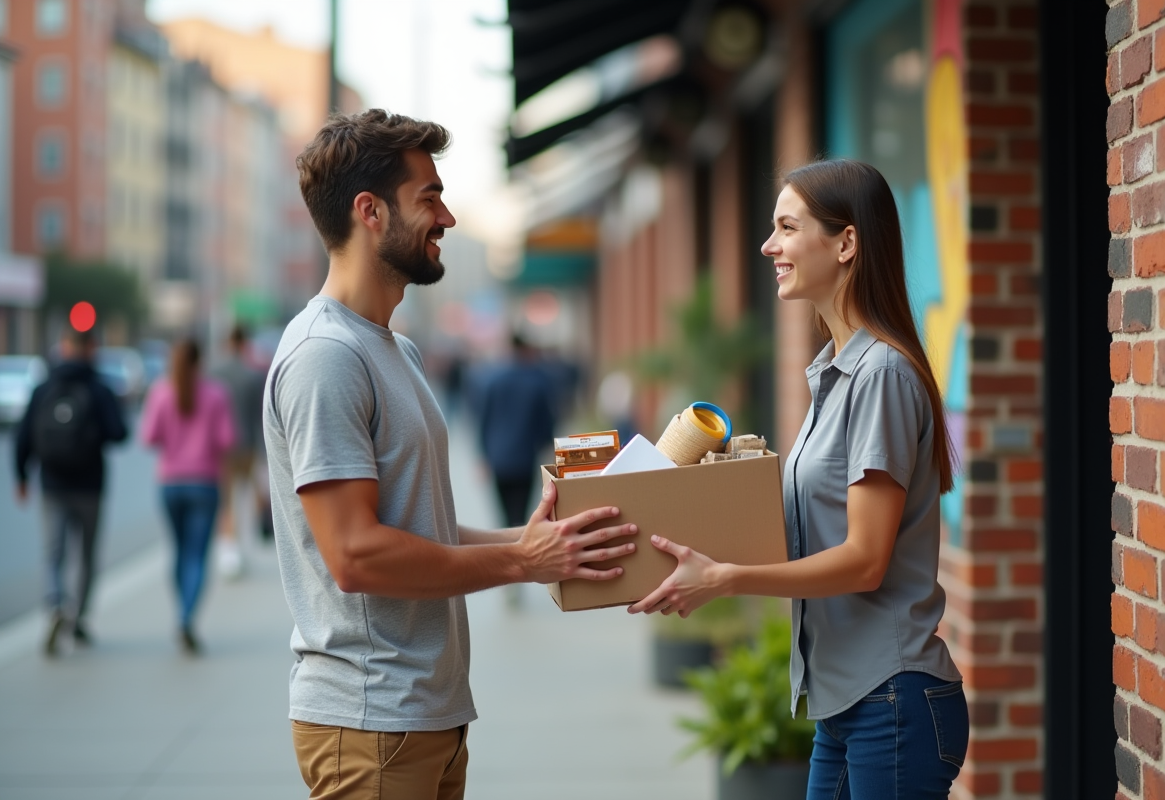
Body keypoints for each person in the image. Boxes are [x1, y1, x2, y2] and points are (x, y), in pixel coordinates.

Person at [271, 109, 638, 800]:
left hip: (422, 716)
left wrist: (533, 545)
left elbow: (414, 530)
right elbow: (356, 556)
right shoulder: (327, 356)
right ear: (369, 212)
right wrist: (518, 561)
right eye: (429, 197)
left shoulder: (394, 349)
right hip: (369, 721)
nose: (448, 217)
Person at [629, 160, 968, 799]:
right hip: (846, 703)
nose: (769, 245)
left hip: (890, 700)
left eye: (787, 227)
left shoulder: (880, 377)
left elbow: (865, 561)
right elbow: (808, 530)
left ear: (846, 243)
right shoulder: (833, 373)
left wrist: (726, 580)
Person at [14, 327, 127, 656]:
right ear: (91, 348)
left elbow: (23, 437)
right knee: (85, 555)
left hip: (52, 484)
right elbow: (119, 432)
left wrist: (21, 476)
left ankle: (54, 606)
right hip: (90, 486)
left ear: (64, 347)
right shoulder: (99, 388)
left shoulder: (43, 388)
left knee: (54, 552)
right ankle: (77, 617)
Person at [140, 338, 235, 655]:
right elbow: (227, 440)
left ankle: (181, 612)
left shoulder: (160, 392)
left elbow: (149, 437)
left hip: (170, 483)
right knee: (197, 555)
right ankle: (186, 616)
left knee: (179, 552)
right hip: (205, 483)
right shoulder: (215, 394)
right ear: (200, 361)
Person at [478, 334, 556, 529]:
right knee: (519, 512)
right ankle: (517, 546)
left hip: (498, 456)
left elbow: (484, 420)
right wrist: (545, 445)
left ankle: (508, 544)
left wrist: (483, 454)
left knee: (504, 513)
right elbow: (546, 421)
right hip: (524, 456)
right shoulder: (537, 382)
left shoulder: (494, 380)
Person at [210, 324, 268, 578]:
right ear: (245, 344)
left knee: (226, 500)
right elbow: (260, 417)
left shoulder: (213, 373)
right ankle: (238, 547)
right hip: (246, 445)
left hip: (220, 449)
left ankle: (228, 551)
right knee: (245, 499)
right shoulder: (253, 375)